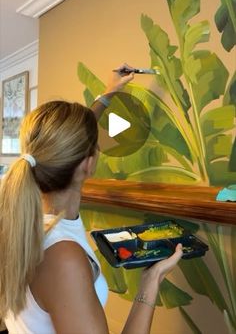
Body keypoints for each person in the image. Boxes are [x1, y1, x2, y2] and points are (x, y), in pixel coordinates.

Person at [0, 65, 183, 334]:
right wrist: (150, 282)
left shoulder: (18, 218)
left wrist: (108, 94)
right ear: (89, 164)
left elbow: (68, 143)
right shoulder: (63, 257)